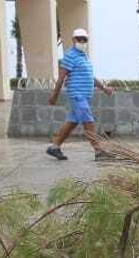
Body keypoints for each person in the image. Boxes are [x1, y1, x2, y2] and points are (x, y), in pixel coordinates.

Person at [45, 28, 114, 161]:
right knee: (88, 120)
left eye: (85, 39)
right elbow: (61, 78)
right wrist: (54, 95)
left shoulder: (84, 57)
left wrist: (105, 88)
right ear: (73, 40)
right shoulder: (70, 56)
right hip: (77, 96)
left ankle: (54, 147)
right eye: (79, 39)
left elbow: (90, 77)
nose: (82, 41)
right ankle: (99, 151)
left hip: (85, 97)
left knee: (72, 122)